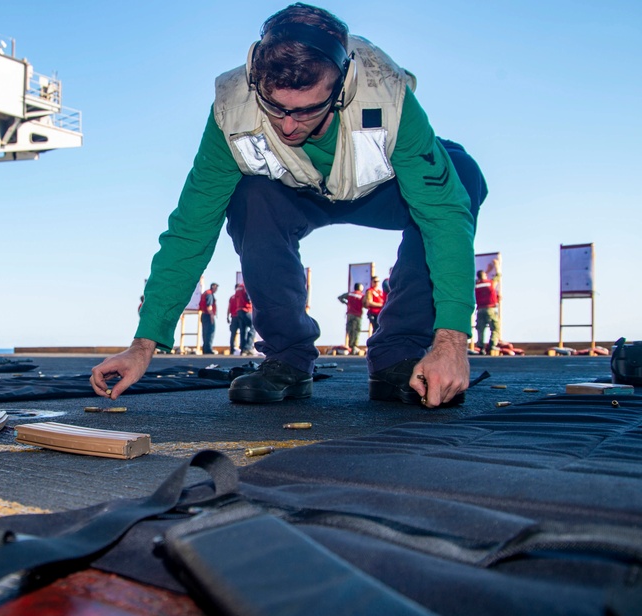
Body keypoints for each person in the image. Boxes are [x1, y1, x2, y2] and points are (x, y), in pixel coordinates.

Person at [91, 3, 487, 408]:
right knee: (247, 195)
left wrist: (452, 340)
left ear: (343, 85)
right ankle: (288, 359)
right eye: (274, 106)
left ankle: (400, 355)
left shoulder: (388, 94)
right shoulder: (232, 112)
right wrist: (142, 345)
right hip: (293, 195)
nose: (287, 126)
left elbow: (444, 217)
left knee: (462, 174)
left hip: (384, 192)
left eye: (306, 110)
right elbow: (190, 229)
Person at [474, 260, 501, 355]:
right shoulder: (490, 283)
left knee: (480, 329)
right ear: (485, 275)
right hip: (490, 309)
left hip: (480, 309)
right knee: (495, 328)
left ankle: (481, 348)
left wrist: (487, 270)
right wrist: (496, 266)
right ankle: (492, 345)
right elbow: (498, 276)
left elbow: (481, 278)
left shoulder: (476, 284)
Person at [227, 283, 254, 355]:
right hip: (246, 310)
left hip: (238, 311)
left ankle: (243, 349)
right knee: (253, 327)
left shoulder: (238, 288)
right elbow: (248, 298)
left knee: (243, 330)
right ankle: (248, 347)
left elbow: (233, 303)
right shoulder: (246, 286)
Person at [337, 282, 365, 353]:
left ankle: (350, 345)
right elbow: (365, 303)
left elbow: (340, 298)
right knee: (356, 330)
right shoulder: (362, 295)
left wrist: (346, 303)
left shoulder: (350, 294)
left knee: (350, 329)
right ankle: (354, 346)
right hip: (358, 314)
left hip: (350, 314)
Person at [200, 283, 219, 354]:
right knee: (210, 332)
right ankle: (208, 349)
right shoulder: (209, 294)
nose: (216, 290)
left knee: (205, 333)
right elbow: (209, 305)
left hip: (204, 315)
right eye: (216, 288)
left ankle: (205, 349)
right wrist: (212, 316)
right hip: (208, 315)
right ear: (213, 287)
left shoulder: (206, 293)